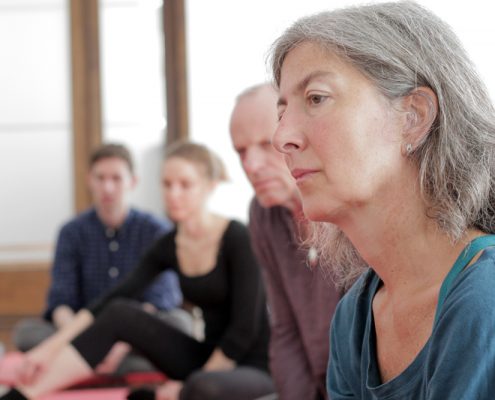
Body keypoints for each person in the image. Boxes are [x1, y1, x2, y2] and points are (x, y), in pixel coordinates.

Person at [269, 2, 495, 399]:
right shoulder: (355, 316)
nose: (282, 137)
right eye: (282, 111)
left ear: (414, 116)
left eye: (316, 98)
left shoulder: (484, 298)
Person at [0, 141, 274, 400]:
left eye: (185, 185)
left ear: (209, 186)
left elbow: (244, 330)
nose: (173, 194)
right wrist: (47, 351)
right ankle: (23, 395)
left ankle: (171, 392)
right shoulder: (168, 244)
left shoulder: (238, 236)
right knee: (119, 311)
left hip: (255, 363)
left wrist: (190, 384)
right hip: (207, 354)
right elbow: (110, 302)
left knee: (202, 386)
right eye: (167, 184)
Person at [13, 143, 186, 372]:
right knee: (26, 333)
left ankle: (79, 365)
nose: (108, 187)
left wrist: (117, 345)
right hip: (82, 329)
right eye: (100, 177)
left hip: (136, 332)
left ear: (132, 181)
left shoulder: (156, 230)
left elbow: (160, 299)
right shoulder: (71, 232)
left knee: (181, 324)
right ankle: (124, 366)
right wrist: (92, 341)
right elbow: (61, 300)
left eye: (116, 178)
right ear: (89, 180)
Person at [230, 83, 341, 399]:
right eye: (240, 152)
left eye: (265, 145)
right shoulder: (263, 214)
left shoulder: (347, 205)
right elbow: (285, 329)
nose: (250, 165)